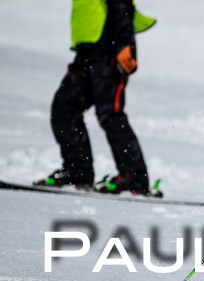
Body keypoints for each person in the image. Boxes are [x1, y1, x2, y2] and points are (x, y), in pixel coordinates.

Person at [35, 0, 156, 195]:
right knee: (64, 108)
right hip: (87, 50)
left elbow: (122, 4)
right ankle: (78, 171)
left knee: (110, 112)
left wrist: (124, 43)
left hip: (110, 47)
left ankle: (134, 177)